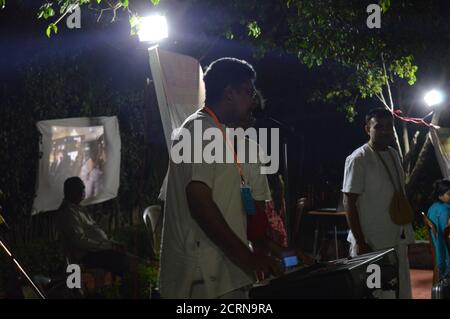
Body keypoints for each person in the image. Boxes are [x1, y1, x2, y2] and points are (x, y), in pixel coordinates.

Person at [159, 58, 283, 299]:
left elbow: (248, 212)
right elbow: (199, 202)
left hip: (228, 274)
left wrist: (278, 252)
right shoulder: (197, 129)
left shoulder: (225, 135)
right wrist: (248, 258)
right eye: (248, 92)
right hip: (198, 279)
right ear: (229, 93)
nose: (253, 100)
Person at [342, 107, 414, 299]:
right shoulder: (359, 158)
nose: (384, 131)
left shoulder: (393, 154)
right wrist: (361, 242)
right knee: (374, 294)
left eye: (388, 127)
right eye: (378, 127)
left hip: (396, 240)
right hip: (372, 245)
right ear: (368, 129)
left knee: (399, 292)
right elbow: (348, 201)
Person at [56, 177, 140, 277]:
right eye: (79, 189)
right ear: (69, 191)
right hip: (86, 256)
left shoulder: (78, 208)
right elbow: (79, 241)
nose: (83, 192)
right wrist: (107, 246)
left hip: (97, 251)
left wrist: (111, 244)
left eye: (83, 188)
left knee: (130, 255)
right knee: (122, 261)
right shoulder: (68, 212)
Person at [427, 179, 450, 280]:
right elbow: (447, 233)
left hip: (439, 256)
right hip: (446, 259)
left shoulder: (433, 208)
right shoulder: (444, 210)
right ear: (440, 195)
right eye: (449, 194)